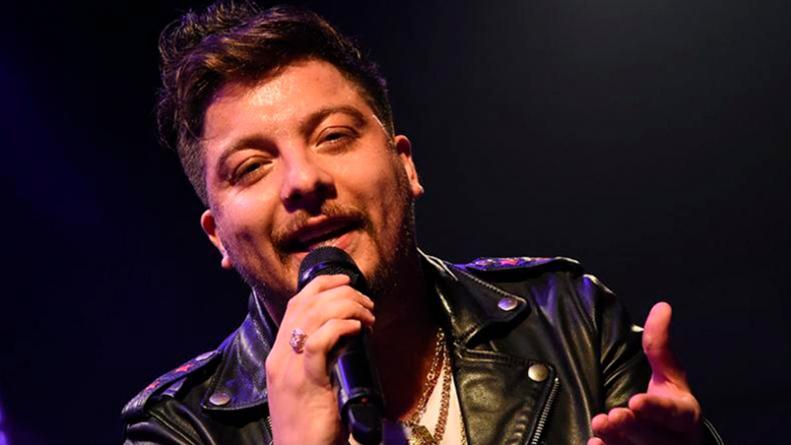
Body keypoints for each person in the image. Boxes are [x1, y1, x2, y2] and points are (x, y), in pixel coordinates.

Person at [122, 2, 723, 444]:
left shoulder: (569, 318)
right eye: (252, 167)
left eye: (333, 136)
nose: (302, 180)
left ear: (405, 165)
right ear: (218, 236)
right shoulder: (178, 429)